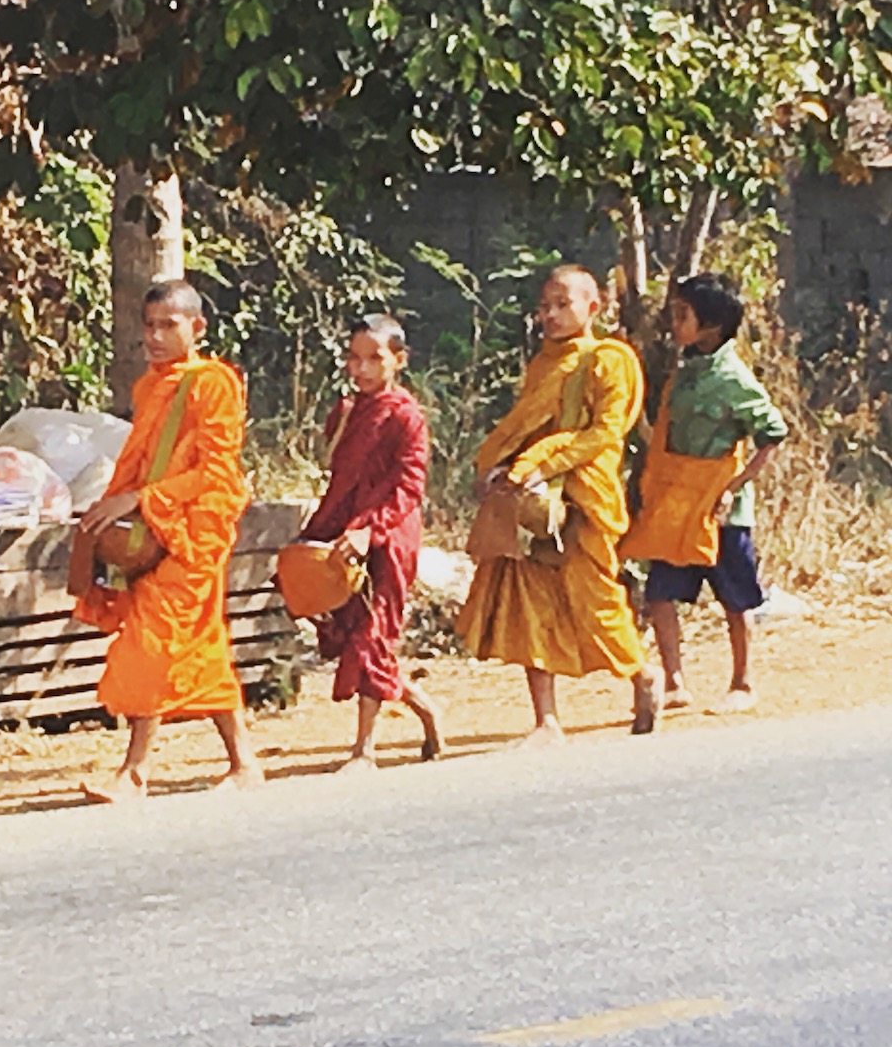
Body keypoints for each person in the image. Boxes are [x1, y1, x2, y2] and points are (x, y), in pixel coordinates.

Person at [455, 265, 663, 740]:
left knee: (597, 598)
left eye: (562, 304)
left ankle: (640, 673)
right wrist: (500, 469)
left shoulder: (610, 360)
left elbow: (606, 433)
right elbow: (521, 426)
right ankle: (546, 719)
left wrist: (543, 465)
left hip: (585, 496)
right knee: (528, 601)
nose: (550, 314)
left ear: (594, 307)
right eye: (544, 306)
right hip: (532, 503)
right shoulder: (543, 365)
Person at [74, 279, 262, 801]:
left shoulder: (214, 383)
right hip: (155, 532)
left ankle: (134, 771)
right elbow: (141, 459)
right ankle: (244, 762)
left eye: (168, 326)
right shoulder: (149, 386)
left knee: (151, 643)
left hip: (193, 531)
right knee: (199, 646)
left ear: (196, 328)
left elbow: (216, 471)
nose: (155, 337)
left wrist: (140, 501)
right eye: (149, 327)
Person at [622, 272, 787, 713]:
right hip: (677, 504)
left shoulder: (734, 379)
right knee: (660, 592)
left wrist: (735, 486)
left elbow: (772, 434)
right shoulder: (685, 369)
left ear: (712, 326)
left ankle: (743, 684)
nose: (675, 322)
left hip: (721, 511)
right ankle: (675, 682)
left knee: (735, 599)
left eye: (683, 315)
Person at [298, 314, 441, 771]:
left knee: (373, 637)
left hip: (390, 536)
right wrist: (318, 536)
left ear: (399, 361)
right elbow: (341, 480)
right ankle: (425, 708)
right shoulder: (344, 413)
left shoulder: (407, 416)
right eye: (354, 359)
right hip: (344, 535)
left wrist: (369, 530)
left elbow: (409, 486)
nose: (361, 369)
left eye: (374, 359)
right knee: (351, 634)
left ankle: (364, 750)